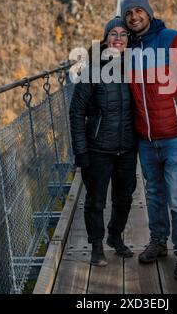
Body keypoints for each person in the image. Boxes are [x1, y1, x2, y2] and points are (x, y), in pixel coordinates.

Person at [121, 0, 177, 280]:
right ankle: (159, 242)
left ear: (149, 13)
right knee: (154, 195)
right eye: (128, 13)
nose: (134, 16)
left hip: (175, 138)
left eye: (138, 10)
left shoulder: (173, 39)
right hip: (145, 139)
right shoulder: (126, 50)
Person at [69, 16, 138, 267]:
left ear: (129, 41)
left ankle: (115, 236)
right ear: (105, 38)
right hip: (98, 148)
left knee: (125, 197)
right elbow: (76, 111)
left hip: (128, 148)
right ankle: (97, 246)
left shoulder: (136, 69)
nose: (118, 39)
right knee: (95, 199)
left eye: (123, 34)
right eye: (113, 34)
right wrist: (80, 151)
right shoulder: (93, 70)